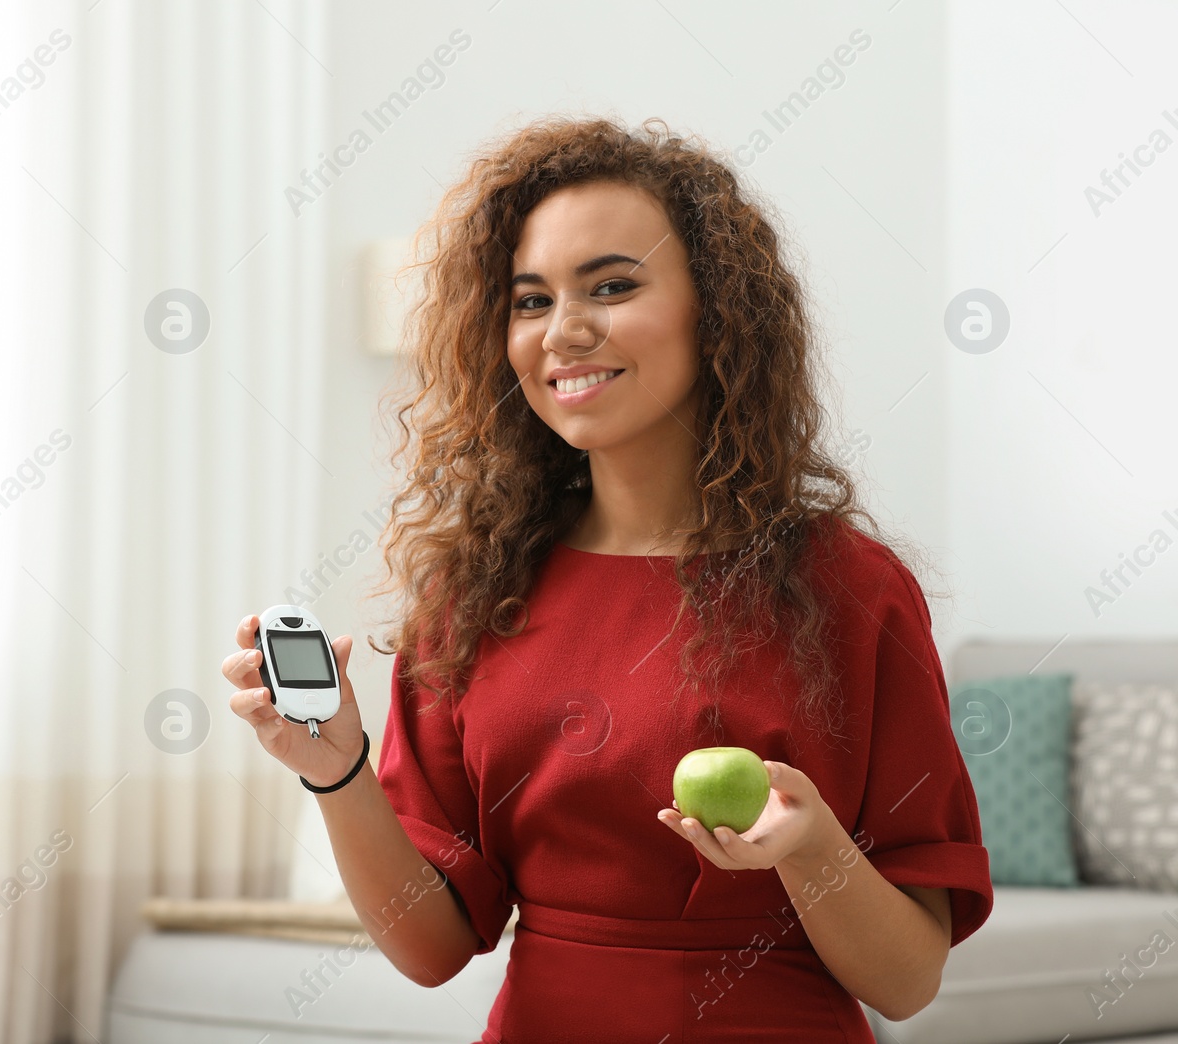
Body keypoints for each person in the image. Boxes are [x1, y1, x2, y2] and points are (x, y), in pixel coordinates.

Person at [222, 115, 992, 1043]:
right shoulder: (472, 595)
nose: (566, 331)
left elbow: (907, 982)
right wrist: (336, 768)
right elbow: (430, 950)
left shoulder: (851, 589)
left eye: (613, 287)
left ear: (716, 311)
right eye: (531, 300)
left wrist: (811, 847)